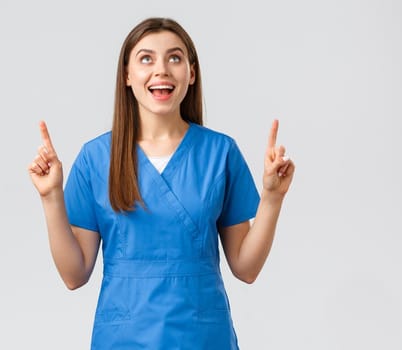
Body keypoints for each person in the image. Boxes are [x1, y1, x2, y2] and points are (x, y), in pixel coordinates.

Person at [27, 17, 294, 349]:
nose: (162, 69)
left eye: (175, 58)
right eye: (146, 58)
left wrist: (272, 198)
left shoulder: (219, 153)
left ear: (191, 74)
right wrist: (51, 195)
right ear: (127, 75)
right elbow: (73, 275)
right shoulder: (97, 158)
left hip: (202, 337)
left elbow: (246, 268)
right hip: (123, 340)